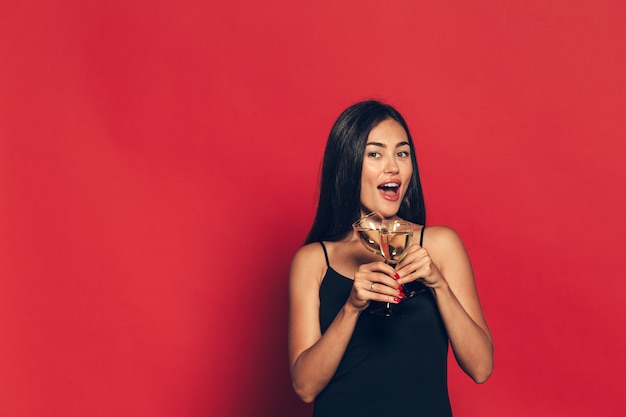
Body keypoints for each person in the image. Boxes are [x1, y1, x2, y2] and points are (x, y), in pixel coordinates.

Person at [288, 100, 493, 417]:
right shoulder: (314, 260)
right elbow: (305, 387)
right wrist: (352, 308)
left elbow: (481, 368)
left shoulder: (439, 244)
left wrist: (439, 284)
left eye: (402, 153)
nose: (393, 167)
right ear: (348, 164)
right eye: (375, 153)